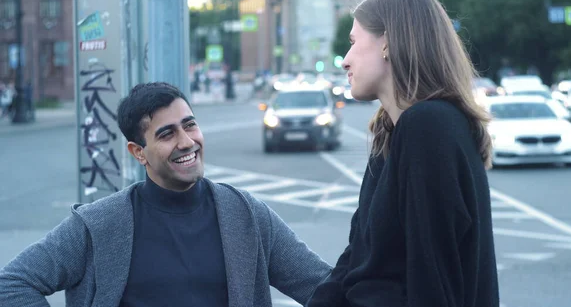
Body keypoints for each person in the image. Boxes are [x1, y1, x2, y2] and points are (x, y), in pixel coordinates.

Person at [0, 82, 332, 306]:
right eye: (167, 134)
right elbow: (12, 284)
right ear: (138, 152)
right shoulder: (97, 225)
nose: (187, 141)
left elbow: (322, 288)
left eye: (189, 125)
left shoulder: (246, 214)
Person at [306, 0, 499, 307]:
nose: (345, 60)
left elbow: (433, 281)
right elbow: (357, 258)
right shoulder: (391, 132)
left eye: (353, 42)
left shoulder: (429, 126)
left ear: (387, 43)